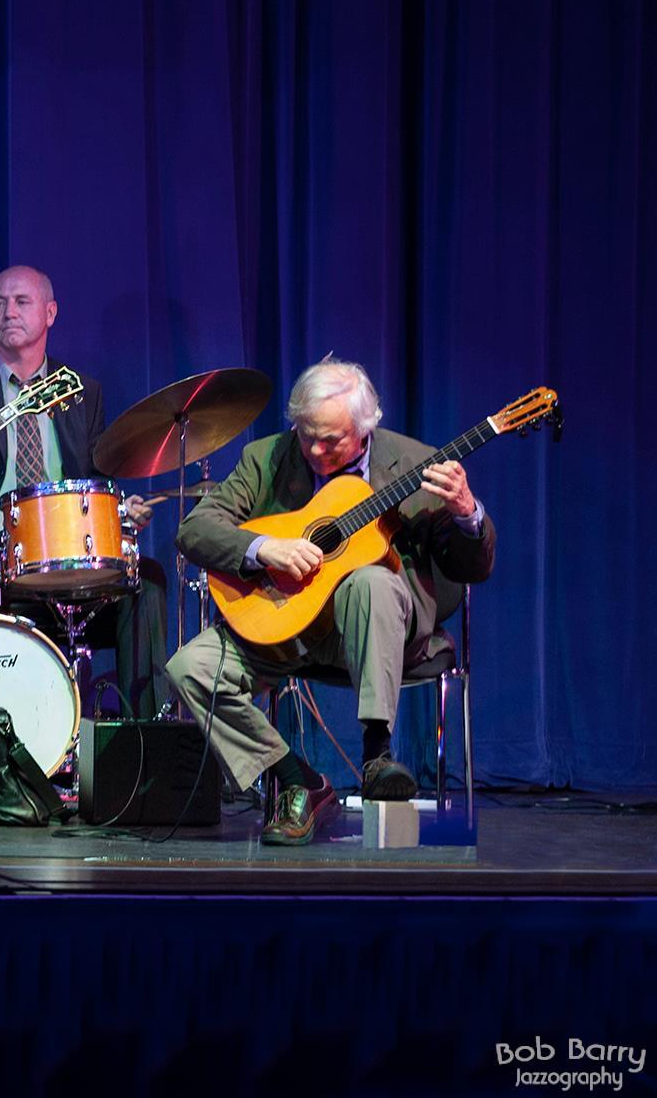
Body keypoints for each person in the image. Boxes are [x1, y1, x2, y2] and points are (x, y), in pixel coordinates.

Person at [165, 356, 495, 845]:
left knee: (372, 582)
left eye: (332, 440)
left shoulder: (413, 463)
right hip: (287, 626)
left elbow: (472, 568)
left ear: (364, 430)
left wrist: (468, 513)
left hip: (376, 635)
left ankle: (377, 755)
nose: (316, 450)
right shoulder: (267, 457)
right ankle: (297, 780)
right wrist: (263, 548)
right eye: (307, 435)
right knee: (190, 667)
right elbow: (195, 530)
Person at [0, 264, 172, 716]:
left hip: (70, 554)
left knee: (146, 581)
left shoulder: (83, 392)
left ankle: (143, 739)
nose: (8, 312)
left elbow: (95, 481)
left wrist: (117, 511)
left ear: (51, 313)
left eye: (22, 302)